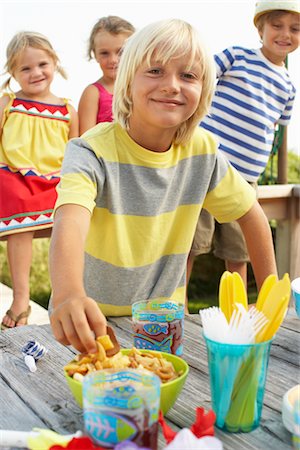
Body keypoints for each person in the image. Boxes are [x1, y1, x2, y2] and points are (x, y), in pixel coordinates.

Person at [49, 19, 277, 354]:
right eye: (155, 70)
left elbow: (252, 216)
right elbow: (69, 220)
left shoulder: (204, 152)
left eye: (188, 75)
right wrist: (68, 294)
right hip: (90, 325)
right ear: (127, 83)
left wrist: (271, 301)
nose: (172, 85)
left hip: (166, 324)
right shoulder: (89, 151)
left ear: (203, 92)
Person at [187, 0, 300, 292]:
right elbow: (200, 77)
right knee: (189, 243)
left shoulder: (289, 86)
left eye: (295, 29)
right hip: (208, 166)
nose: (285, 34)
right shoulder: (238, 56)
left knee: (239, 250)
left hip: (246, 178)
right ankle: (180, 307)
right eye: (277, 25)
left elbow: (275, 129)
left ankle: (234, 308)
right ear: (260, 28)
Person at [0, 31, 79, 330]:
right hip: (16, 177)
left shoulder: (67, 110)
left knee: (73, 221)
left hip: (55, 180)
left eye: (42, 64)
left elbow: (76, 151)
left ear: (55, 62)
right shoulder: (8, 103)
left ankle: (66, 294)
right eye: (25, 68)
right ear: (13, 72)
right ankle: (21, 297)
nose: (36, 73)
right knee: (18, 206)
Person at [78, 15, 135, 134]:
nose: (113, 60)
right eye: (104, 53)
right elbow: (85, 139)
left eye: (121, 52)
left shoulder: (140, 89)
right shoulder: (93, 93)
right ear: (95, 54)